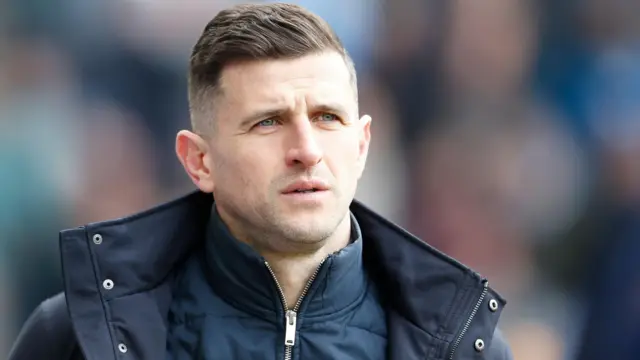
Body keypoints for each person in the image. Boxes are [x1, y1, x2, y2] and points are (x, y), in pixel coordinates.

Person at [8, 3, 513, 359]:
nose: (306, 150)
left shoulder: (465, 344)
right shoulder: (79, 337)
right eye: (268, 122)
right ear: (198, 161)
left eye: (328, 118)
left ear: (362, 146)